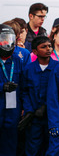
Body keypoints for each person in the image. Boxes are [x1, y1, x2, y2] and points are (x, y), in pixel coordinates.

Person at [20, 36, 59, 156]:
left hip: (52, 118)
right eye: (44, 47)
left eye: (49, 46)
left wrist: (46, 107)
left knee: (51, 148)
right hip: (34, 118)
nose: (48, 49)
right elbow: (24, 91)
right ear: (35, 52)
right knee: (32, 148)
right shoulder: (28, 69)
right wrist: (29, 111)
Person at [0, 24, 25, 156]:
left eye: (9, 39)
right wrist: (1, 87)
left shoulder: (17, 60)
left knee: (10, 142)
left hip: (13, 107)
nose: (6, 43)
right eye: (3, 39)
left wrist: (24, 107)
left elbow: (24, 84)